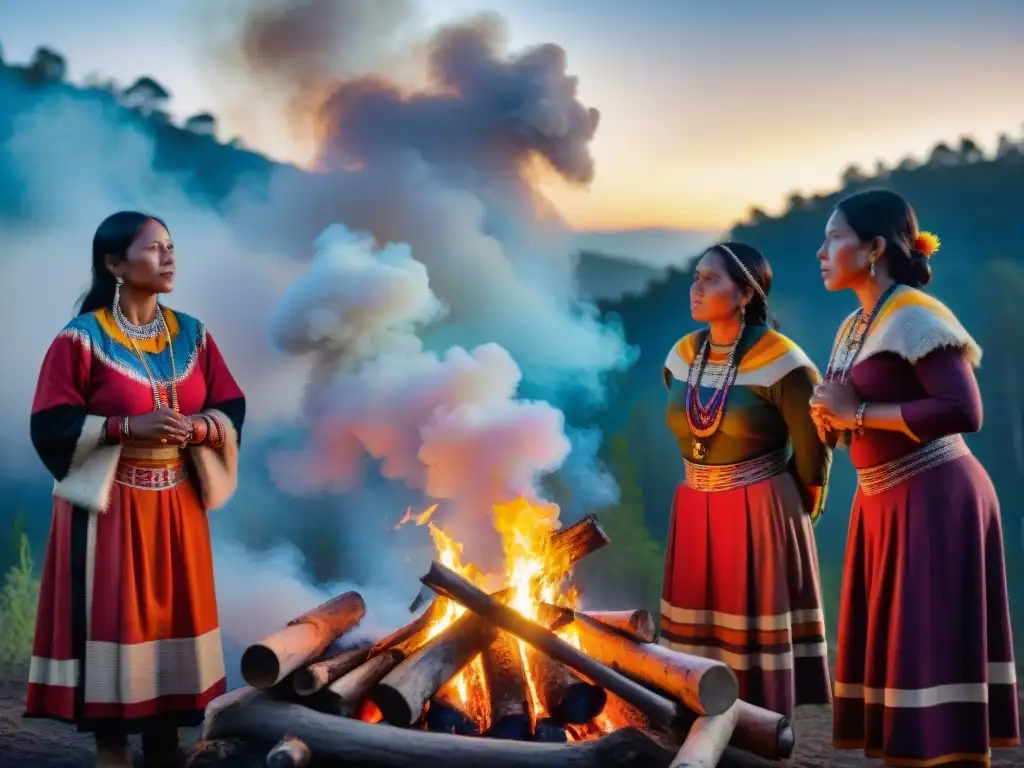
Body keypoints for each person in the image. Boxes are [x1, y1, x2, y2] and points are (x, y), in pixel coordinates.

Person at [25, 211, 246, 768]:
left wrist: (197, 427)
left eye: (171, 246)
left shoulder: (193, 335)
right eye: (154, 248)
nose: (169, 256)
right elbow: (50, 424)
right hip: (109, 509)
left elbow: (230, 406)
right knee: (115, 622)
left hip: (177, 503)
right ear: (114, 263)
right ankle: (111, 750)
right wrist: (127, 427)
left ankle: (165, 744)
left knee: (171, 623)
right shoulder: (81, 339)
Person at [811, 188, 1019, 766]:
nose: (821, 252)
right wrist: (831, 417)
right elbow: (851, 409)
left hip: (934, 498)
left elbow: (963, 411)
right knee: (906, 655)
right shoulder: (856, 324)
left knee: (925, 651)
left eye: (834, 239)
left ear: (875, 247)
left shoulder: (915, 316)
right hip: (884, 502)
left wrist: (855, 414)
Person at [659, 241, 833, 717]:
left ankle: (757, 727)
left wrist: (797, 514)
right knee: (696, 628)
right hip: (694, 503)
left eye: (710, 280)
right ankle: (692, 713)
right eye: (695, 277)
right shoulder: (681, 355)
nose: (695, 288)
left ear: (744, 294)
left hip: (759, 508)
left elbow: (813, 449)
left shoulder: (784, 362)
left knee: (749, 629)